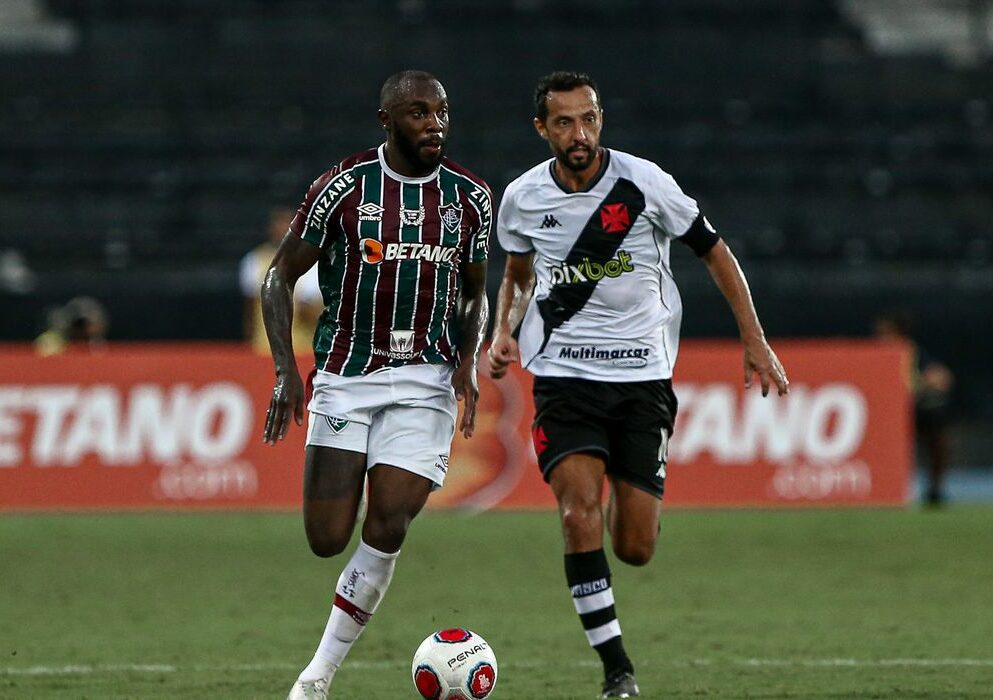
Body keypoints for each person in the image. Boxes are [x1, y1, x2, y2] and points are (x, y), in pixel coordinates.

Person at [488, 72, 789, 699]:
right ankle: (617, 670)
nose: (581, 134)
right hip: (564, 377)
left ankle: (634, 510)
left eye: (590, 119)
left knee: (635, 547)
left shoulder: (644, 184)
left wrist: (754, 340)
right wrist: (503, 330)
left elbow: (715, 252)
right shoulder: (520, 198)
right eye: (565, 122)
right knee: (578, 515)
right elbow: (516, 274)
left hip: (642, 380)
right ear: (542, 129)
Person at [261, 70, 492, 700]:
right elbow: (278, 279)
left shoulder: (469, 198)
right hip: (346, 376)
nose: (434, 124)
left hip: (426, 378)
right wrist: (286, 371)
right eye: (418, 113)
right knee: (326, 539)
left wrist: (467, 361)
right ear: (386, 120)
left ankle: (317, 676)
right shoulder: (342, 187)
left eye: (441, 112)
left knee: (389, 521)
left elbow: (476, 295)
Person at [874, 311, 955, 506]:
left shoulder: (912, 353)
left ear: (900, 334)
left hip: (913, 410)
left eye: (885, 333)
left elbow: (942, 377)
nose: (880, 338)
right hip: (883, 413)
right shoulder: (873, 356)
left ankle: (935, 489)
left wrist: (928, 382)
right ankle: (882, 488)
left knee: (937, 429)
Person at [240, 206, 323, 354]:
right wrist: (249, 342)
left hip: (302, 349)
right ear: (271, 229)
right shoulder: (255, 261)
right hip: (264, 348)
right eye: (279, 224)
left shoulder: (313, 264)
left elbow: (320, 311)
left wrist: (308, 311)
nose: (284, 229)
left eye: (289, 224)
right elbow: (250, 308)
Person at [34, 296, 108, 356]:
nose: (81, 329)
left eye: (85, 324)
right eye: (78, 324)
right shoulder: (54, 342)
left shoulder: (97, 346)